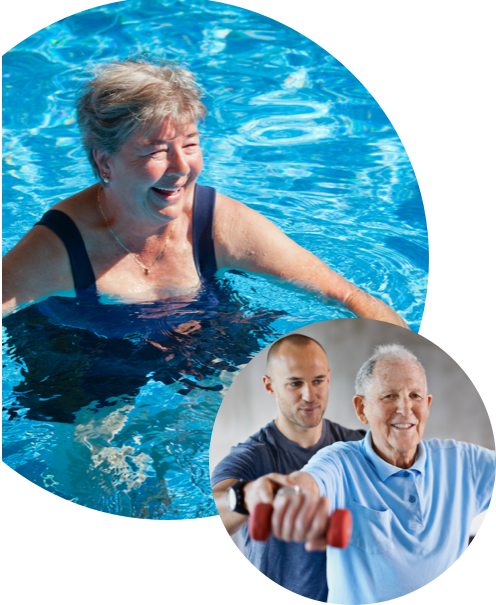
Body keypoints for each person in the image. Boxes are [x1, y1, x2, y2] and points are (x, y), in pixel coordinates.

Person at [2, 58, 409, 329]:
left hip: (198, 334)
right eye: (158, 150)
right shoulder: (58, 249)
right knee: (95, 456)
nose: (182, 167)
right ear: (105, 163)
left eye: (191, 144)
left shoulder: (218, 224)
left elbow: (347, 296)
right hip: (80, 355)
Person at [245, 344, 496, 605]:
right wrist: (291, 495)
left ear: (428, 404)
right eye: (389, 396)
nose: (405, 408)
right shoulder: (341, 461)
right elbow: (311, 481)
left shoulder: (465, 462)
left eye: (415, 396)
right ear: (361, 408)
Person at [211, 334, 366, 602]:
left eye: (317, 381)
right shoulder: (253, 455)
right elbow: (214, 503)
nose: (309, 395)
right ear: (270, 386)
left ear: (328, 379)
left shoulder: (357, 445)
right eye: (295, 383)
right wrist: (245, 496)